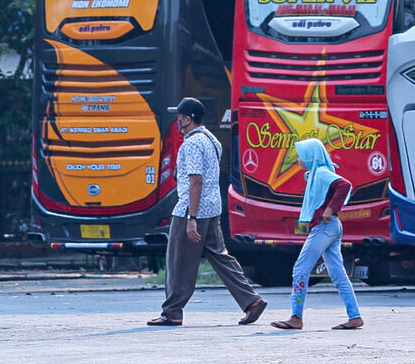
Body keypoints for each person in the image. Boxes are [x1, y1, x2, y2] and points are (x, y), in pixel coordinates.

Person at [148, 97, 267, 326]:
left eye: (180, 117)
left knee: (178, 261)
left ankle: (172, 311)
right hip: (212, 209)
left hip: (191, 210)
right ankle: (252, 300)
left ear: (188, 119)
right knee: (221, 257)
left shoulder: (191, 143)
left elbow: (196, 181)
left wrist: (191, 217)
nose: (178, 121)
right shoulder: (211, 139)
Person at [271, 139, 363, 331]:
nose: (298, 160)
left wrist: (330, 209)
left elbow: (345, 185)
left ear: (311, 157)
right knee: (338, 273)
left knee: (300, 269)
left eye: (302, 156)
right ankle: (354, 316)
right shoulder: (316, 174)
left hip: (324, 226)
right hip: (331, 227)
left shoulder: (321, 172)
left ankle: (296, 317)